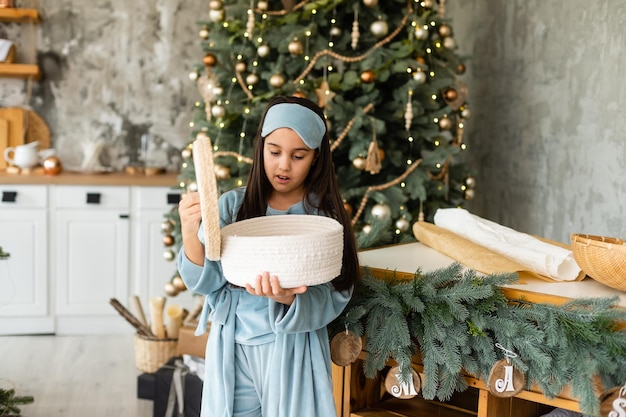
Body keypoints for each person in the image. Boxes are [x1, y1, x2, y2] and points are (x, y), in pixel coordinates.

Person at [177, 95, 360, 417]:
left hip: (291, 348)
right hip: (233, 344)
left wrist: (290, 299)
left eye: (298, 155)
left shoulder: (324, 218)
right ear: (261, 148)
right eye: (274, 152)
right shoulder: (233, 206)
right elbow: (205, 281)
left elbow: (337, 292)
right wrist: (190, 233)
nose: (284, 165)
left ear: (316, 158)